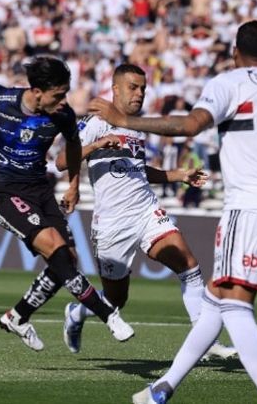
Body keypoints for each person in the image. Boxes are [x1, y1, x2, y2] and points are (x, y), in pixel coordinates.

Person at [90, 21, 257, 404]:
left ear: (235, 53)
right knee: (216, 299)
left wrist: (124, 121)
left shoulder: (229, 82)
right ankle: (161, 389)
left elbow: (190, 126)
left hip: (250, 207)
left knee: (234, 305)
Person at [0, 56, 134, 351]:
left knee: (68, 259)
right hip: (3, 190)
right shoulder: (2, 99)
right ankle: (108, 314)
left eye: (65, 93)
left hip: (40, 190)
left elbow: (74, 146)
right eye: (58, 94)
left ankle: (17, 317)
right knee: (56, 249)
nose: (63, 101)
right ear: (38, 92)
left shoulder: (62, 114)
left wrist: (74, 185)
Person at [55, 64, 236, 360]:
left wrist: (179, 175)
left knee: (188, 265)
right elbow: (63, 160)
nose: (139, 93)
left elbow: (138, 169)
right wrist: (96, 148)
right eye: (133, 87)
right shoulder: (96, 121)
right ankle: (77, 313)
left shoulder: (137, 125)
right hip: (112, 222)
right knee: (116, 300)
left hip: (146, 211)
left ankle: (206, 340)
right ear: (115, 89)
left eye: (142, 88)